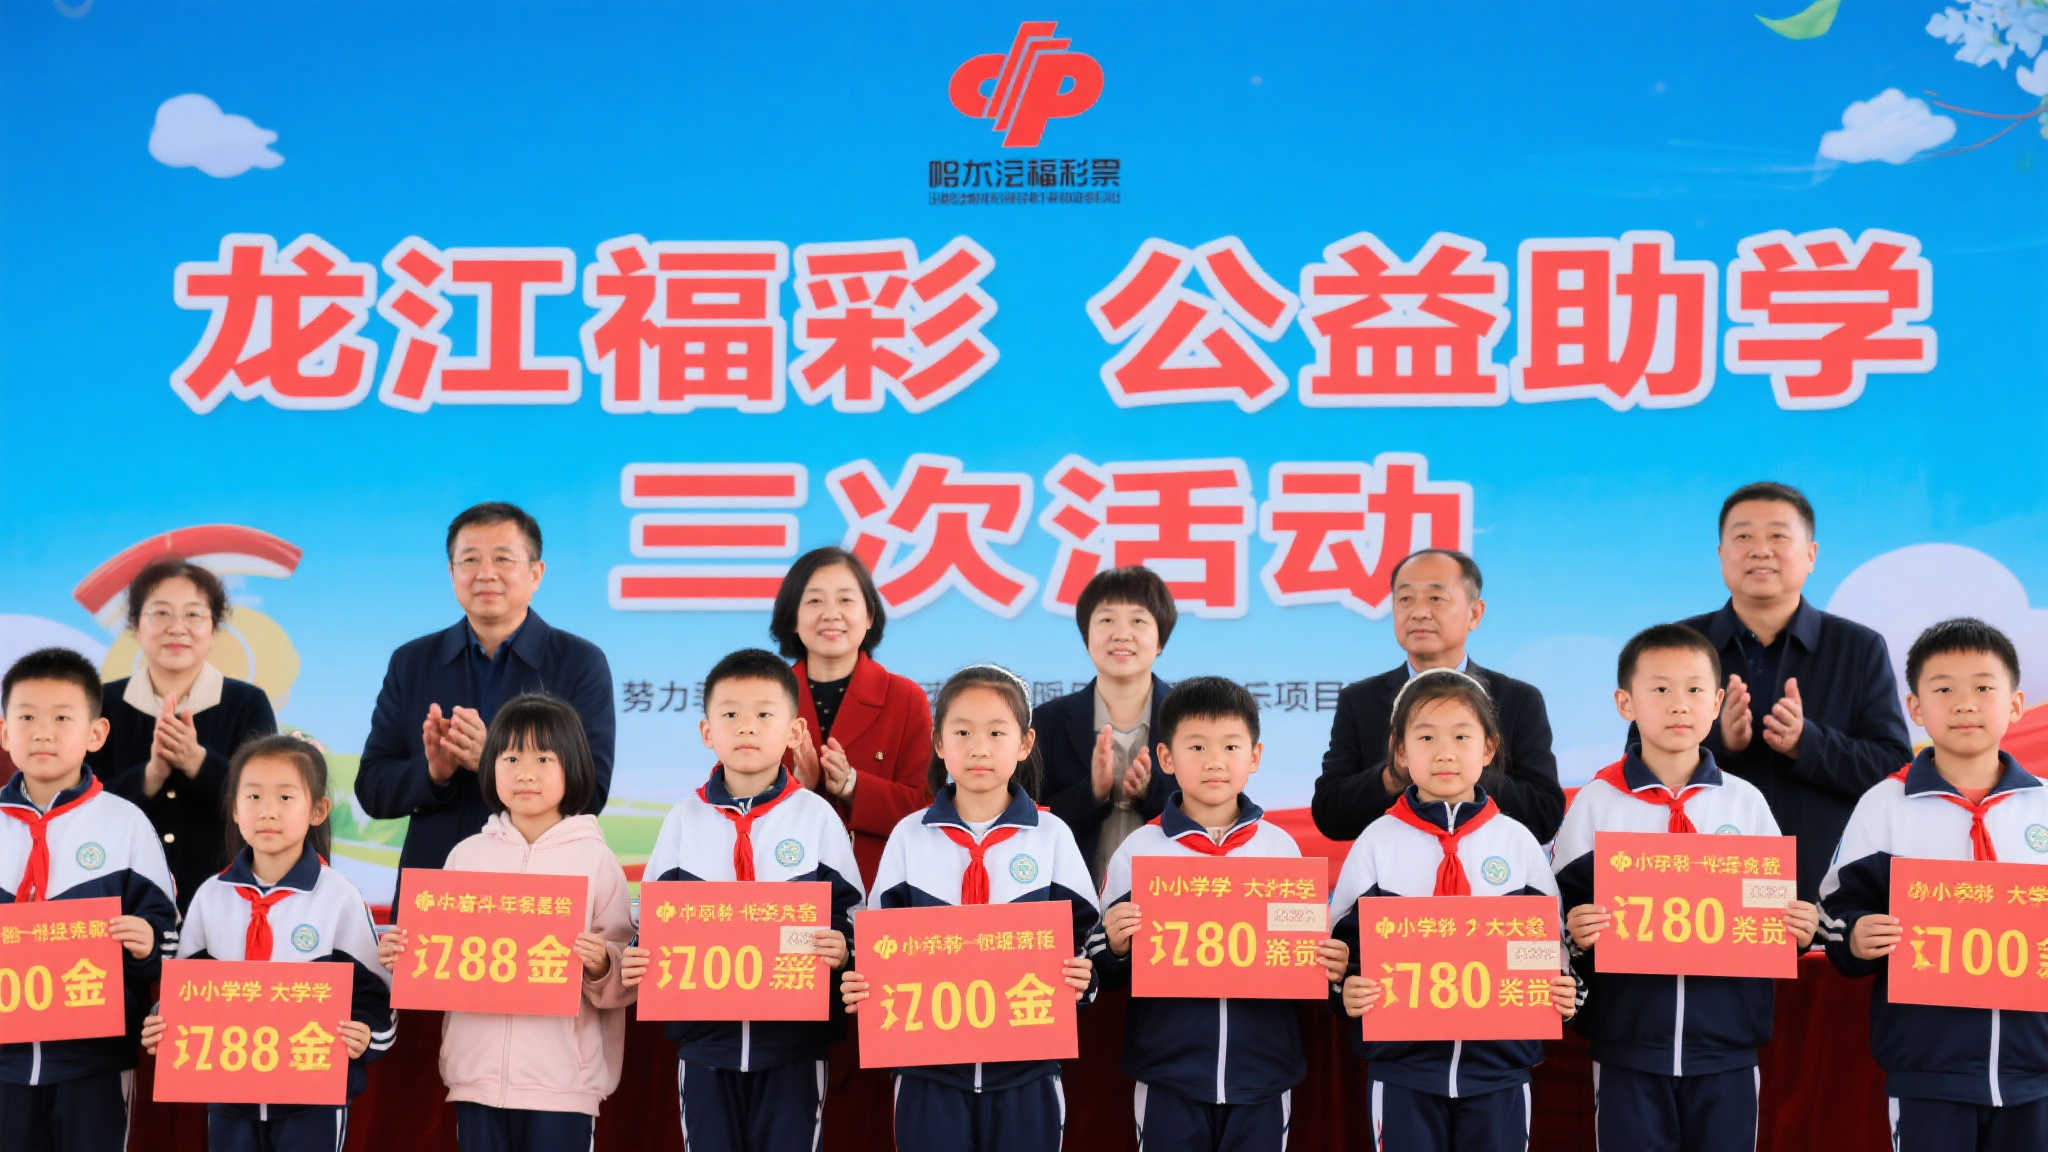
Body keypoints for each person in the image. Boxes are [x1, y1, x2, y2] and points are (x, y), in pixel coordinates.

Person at [1555, 624, 1817, 1152]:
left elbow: (1776, 911)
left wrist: (1800, 928)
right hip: (1628, 1044)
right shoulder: (1596, 803)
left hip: (1727, 1046)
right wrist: (1576, 932)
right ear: (1625, 703)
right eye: (1660, 689)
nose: (1679, 704)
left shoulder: (1744, 803)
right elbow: (1560, 916)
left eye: (1695, 689)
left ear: (1717, 703)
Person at [841, 665, 1097, 1152]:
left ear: (1024, 743)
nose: (979, 747)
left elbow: (1085, 934)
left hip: (1028, 1070)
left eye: (997, 733)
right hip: (927, 1071)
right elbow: (875, 940)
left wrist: (1084, 978)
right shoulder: (909, 836)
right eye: (962, 733)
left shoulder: (1051, 836)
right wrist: (861, 977)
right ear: (939, 743)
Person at [621, 649, 864, 1152]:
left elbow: (852, 914)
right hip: (704, 1045)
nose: (747, 727)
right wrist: (639, 952)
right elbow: (652, 917)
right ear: (707, 731)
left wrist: (843, 948)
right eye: (730, 714)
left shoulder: (816, 817)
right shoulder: (683, 819)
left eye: (764, 714)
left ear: (795, 731)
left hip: (795, 1045)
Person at [1092, 676, 1348, 1151]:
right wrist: (1116, 946)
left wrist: (1328, 961)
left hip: (1264, 1072)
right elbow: (1101, 965)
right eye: (1197, 747)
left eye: (1231, 746)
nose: (1215, 761)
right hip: (1169, 1073)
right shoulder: (1140, 850)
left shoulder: (1280, 849)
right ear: (1166, 757)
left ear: (1255, 756)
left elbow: (1306, 951)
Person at [1820, 618, 2048, 1152]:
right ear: (1916, 708)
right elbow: (1835, 909)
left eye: (1984, 688)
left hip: (2038, 1068)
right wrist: (1856, 936)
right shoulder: (1884, 804)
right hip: (1928, 1071)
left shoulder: (2044, 803)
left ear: (2016, 704)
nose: (1965, 704)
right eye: (1944, 690)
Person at [1330, 669, 1578, 1151]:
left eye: (1462, 737)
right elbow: (1341, 951)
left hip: (1499, 1070)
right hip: (1403, 1071)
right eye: (1426, 737)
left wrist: (1564, 991)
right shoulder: (1376, 842)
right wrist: (1347, 990)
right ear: (1401, 752)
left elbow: (1552, 949)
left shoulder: (1518, 842)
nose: (1444, 752)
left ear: (1489, 749)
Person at [376, 694, 635, 1150]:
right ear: (489, 766)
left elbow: (622, 978)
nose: (525, 773)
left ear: (573, 767)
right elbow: (439, 963)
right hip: (476, 1076)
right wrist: (404, 954)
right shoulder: (466, 856)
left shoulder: (596, 861)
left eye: (543, 758)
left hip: (563, 1083)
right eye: (510, 758)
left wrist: (601, 964)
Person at [140, 735, 393, 1151]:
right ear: (234, 809)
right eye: (253, 796)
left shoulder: (339, 897)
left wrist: (366, 1034)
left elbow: (374, 993)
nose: (267, 811)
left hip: (313, 1098)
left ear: (317, 810)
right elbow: (184, 991)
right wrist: (162, 1018)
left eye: (285, 797)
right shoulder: (211, 896)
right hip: (228, 1095)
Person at [355, 503, 615, 895]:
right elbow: (373, 790)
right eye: (470, 560)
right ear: (451, 572)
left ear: (536, 573)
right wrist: (433, 773)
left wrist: (493, 760)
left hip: (538, 890)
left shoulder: (578, 662)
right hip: (434, 887)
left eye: (503, 559)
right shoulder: (412, 662)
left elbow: (591, 792)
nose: (486, 573)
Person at [1676, 481, 1912, 899]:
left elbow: (1892, 769)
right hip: (1702, 885)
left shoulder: (1857, 648)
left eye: (1778, 536)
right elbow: (1637, 761)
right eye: (1743, 537)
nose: (1760, 550)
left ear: (1811, 555)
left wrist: (1808, 743)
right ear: (1721, 554)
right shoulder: (1679, 646)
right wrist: (1716, 741)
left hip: (1822, 886)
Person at [0, 648, 179, 1152]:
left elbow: (170, 939)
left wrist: (148, 942)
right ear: (4, 732)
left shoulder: (126, 825)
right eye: (27, 718)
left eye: (62, 718)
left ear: (96, 734)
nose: (43, 732)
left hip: (94, 1062)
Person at [1311, 548, 1564, 845]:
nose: (1419, 612)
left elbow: (1545, 815)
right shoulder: (1359, 700)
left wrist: (1465, 769)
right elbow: (1330, 814)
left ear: (1475, 613)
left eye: (1435, 598)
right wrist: (1392, 776)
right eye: (1405, 599)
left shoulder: (1518, 700)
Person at [98, 557, 277, 911]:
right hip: (123, 903)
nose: (177, 628)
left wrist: (199, 763)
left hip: (228, 902)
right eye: (160, 613)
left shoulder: (247, 703)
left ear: (214, 627)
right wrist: (150, 777)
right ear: (135, 624)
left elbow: (268, 804)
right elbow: (81, 808)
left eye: (193, 614)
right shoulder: (102, 704)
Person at [770, 546, 931, 889]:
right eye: (814, 601)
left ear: (869, 615)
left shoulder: (905, 698)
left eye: (845, 600)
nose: (831, 614)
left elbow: (926, 810)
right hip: (781, 888)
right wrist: (797, 787)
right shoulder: (764, 698)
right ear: (793, 616)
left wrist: (853, 786)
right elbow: (732, 801)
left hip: (881, 889)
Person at [1031, 566, 1176, 886]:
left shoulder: (1190, 720)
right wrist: (1092, 794)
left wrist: (1150, 792)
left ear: (1160, 640)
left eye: (1138, 621)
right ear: (1087, 637)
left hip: (1170, 901)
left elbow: (1213, 816)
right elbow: (1025, 827)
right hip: (1071, 905)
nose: (1121, 634)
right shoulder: (1046, 723)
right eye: (1107, 620)